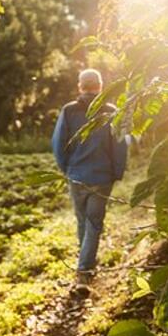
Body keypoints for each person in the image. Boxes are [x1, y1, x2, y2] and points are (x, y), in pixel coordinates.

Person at [51, 69, 128, 293]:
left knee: (83, 221)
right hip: (102, 177)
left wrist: (67, 169)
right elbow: (120, 145)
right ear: (101, 86)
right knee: (94, 224)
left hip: (76, 176)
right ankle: (84, 272)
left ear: (80, 86)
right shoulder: (111, 111)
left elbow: (58, 144)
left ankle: (85, 266)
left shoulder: (69, 111)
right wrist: (117, 172)